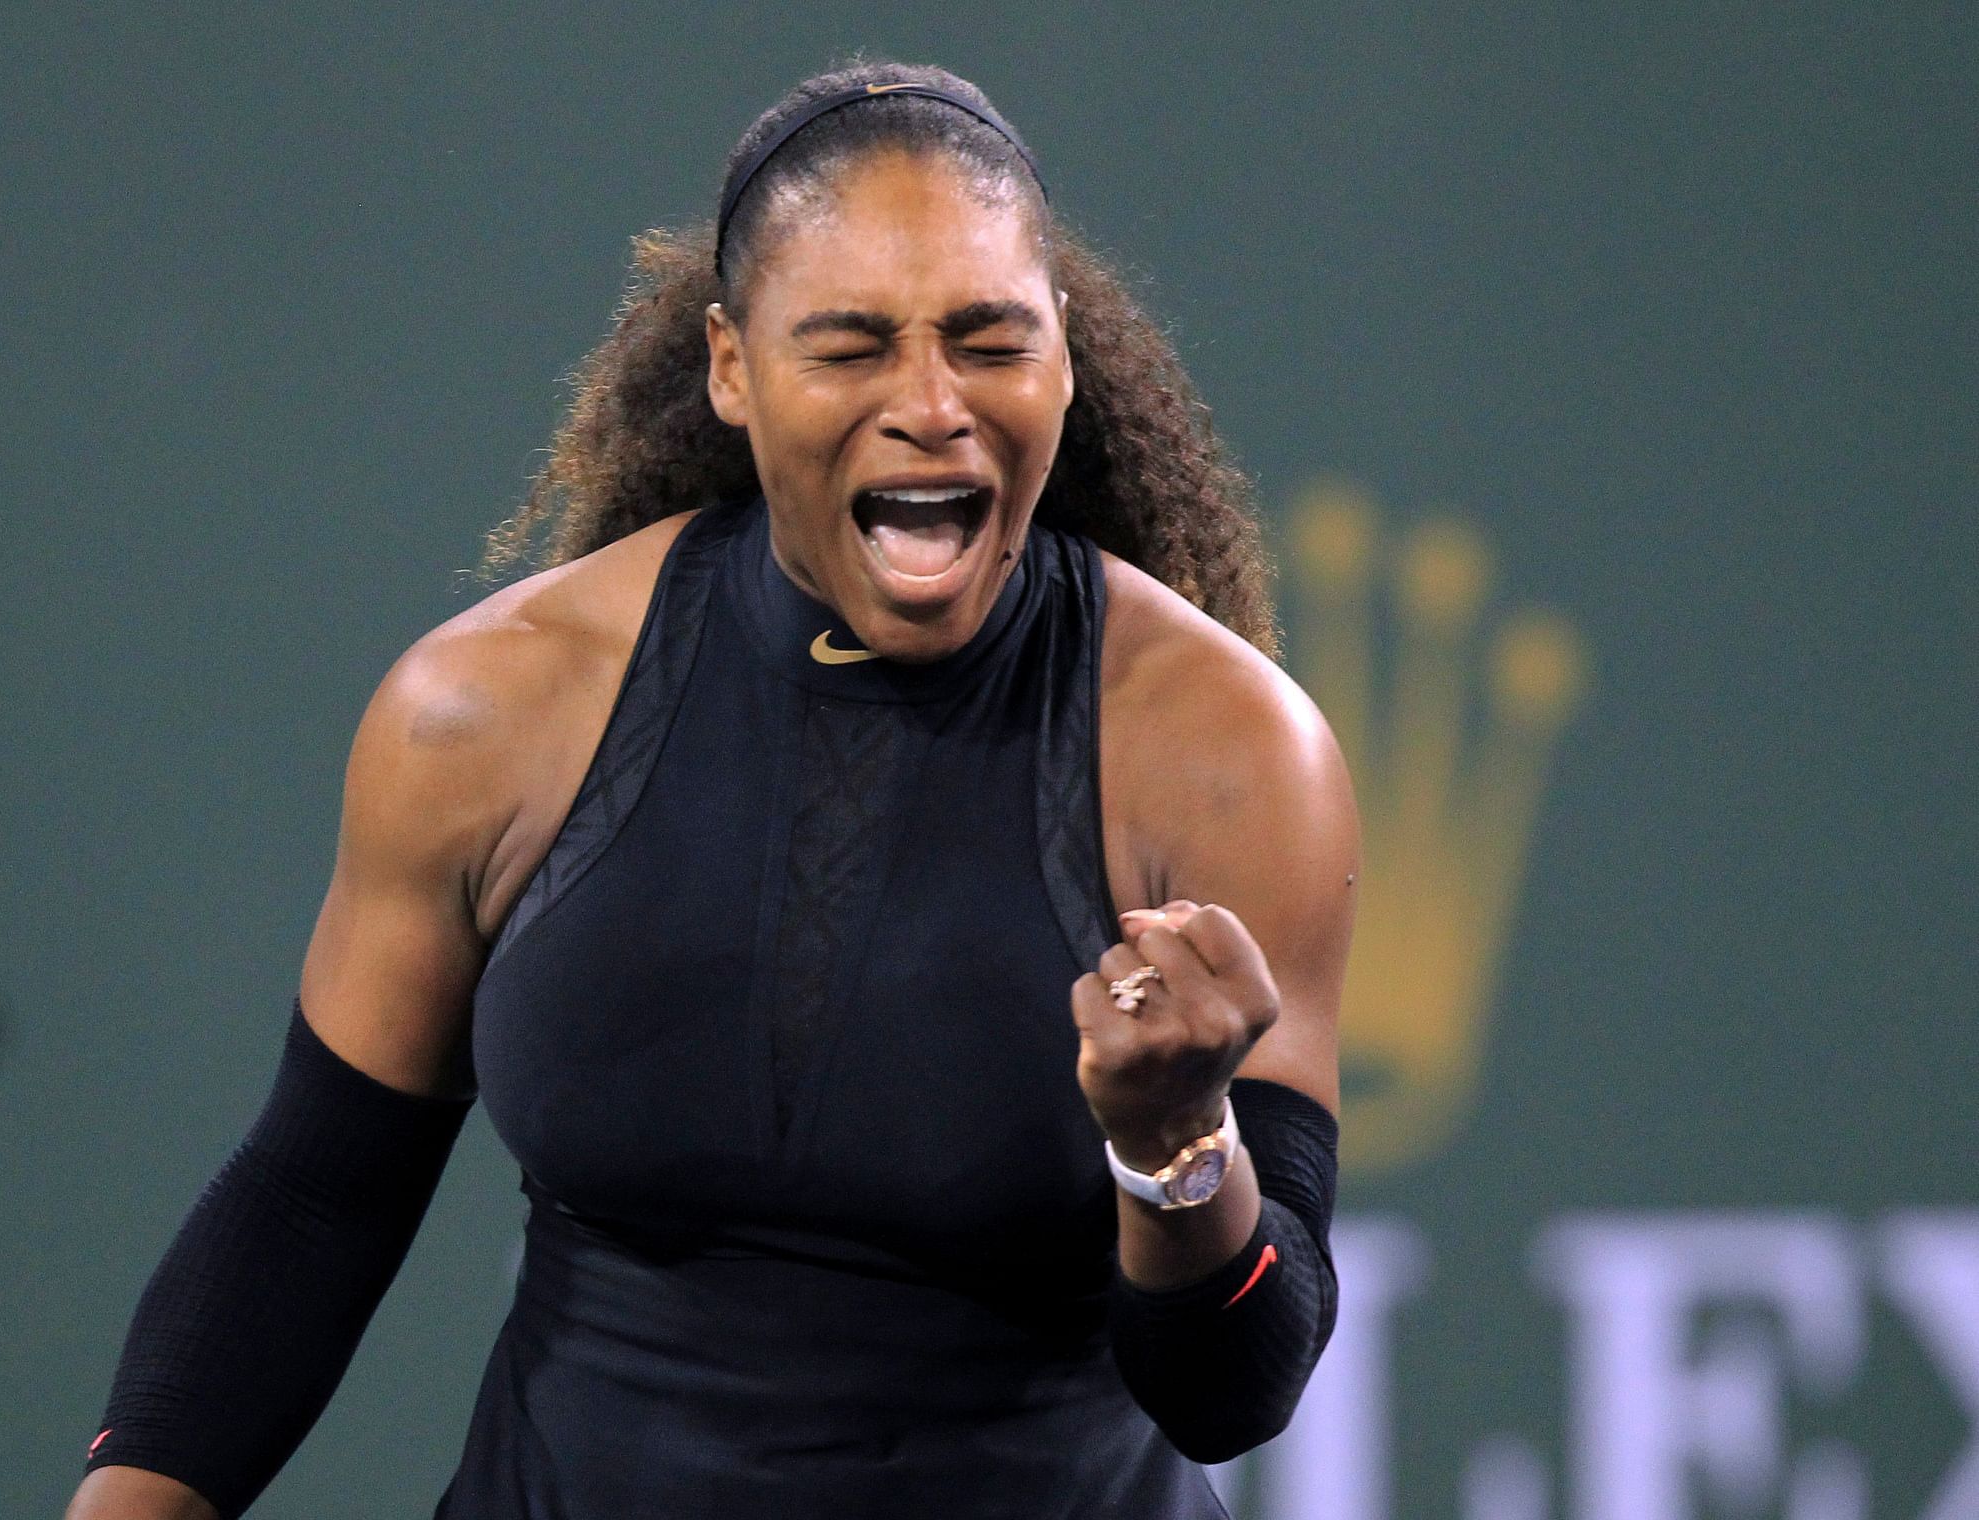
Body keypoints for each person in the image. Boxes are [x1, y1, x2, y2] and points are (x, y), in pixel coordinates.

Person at [72, 59, 1356, 1520]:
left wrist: (1174, 1146)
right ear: (732, 368)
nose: (930, 405)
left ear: (1062, 353)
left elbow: (1228, 1393)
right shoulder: (489, 711)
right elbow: (314, 1198)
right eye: (851, 346)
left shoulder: (1229, 751)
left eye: (988, 341)